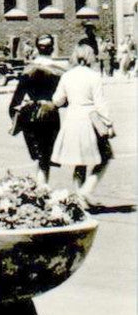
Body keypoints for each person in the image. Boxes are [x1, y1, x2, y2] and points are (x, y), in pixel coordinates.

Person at [52, 42, 114, 206]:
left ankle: (80, 197)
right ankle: (86, 190)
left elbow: (57, 100)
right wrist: (108, 123)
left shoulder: (67, 76)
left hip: (72, 118)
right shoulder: (94, 76)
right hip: (90, 119)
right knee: (104, 156)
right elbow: (100, 103)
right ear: (90, 57)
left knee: (79, 161)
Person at [8, 34, 62, 186]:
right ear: (52, 48)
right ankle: (42, 188)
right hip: (50, 114)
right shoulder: (59, 71)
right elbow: (64, 100)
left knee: (38, 155)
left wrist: (15, 119)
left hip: (31, 114)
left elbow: (15, 101)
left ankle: (40, 188)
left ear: (37, 49)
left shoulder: (28, 70)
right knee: (46, 156)